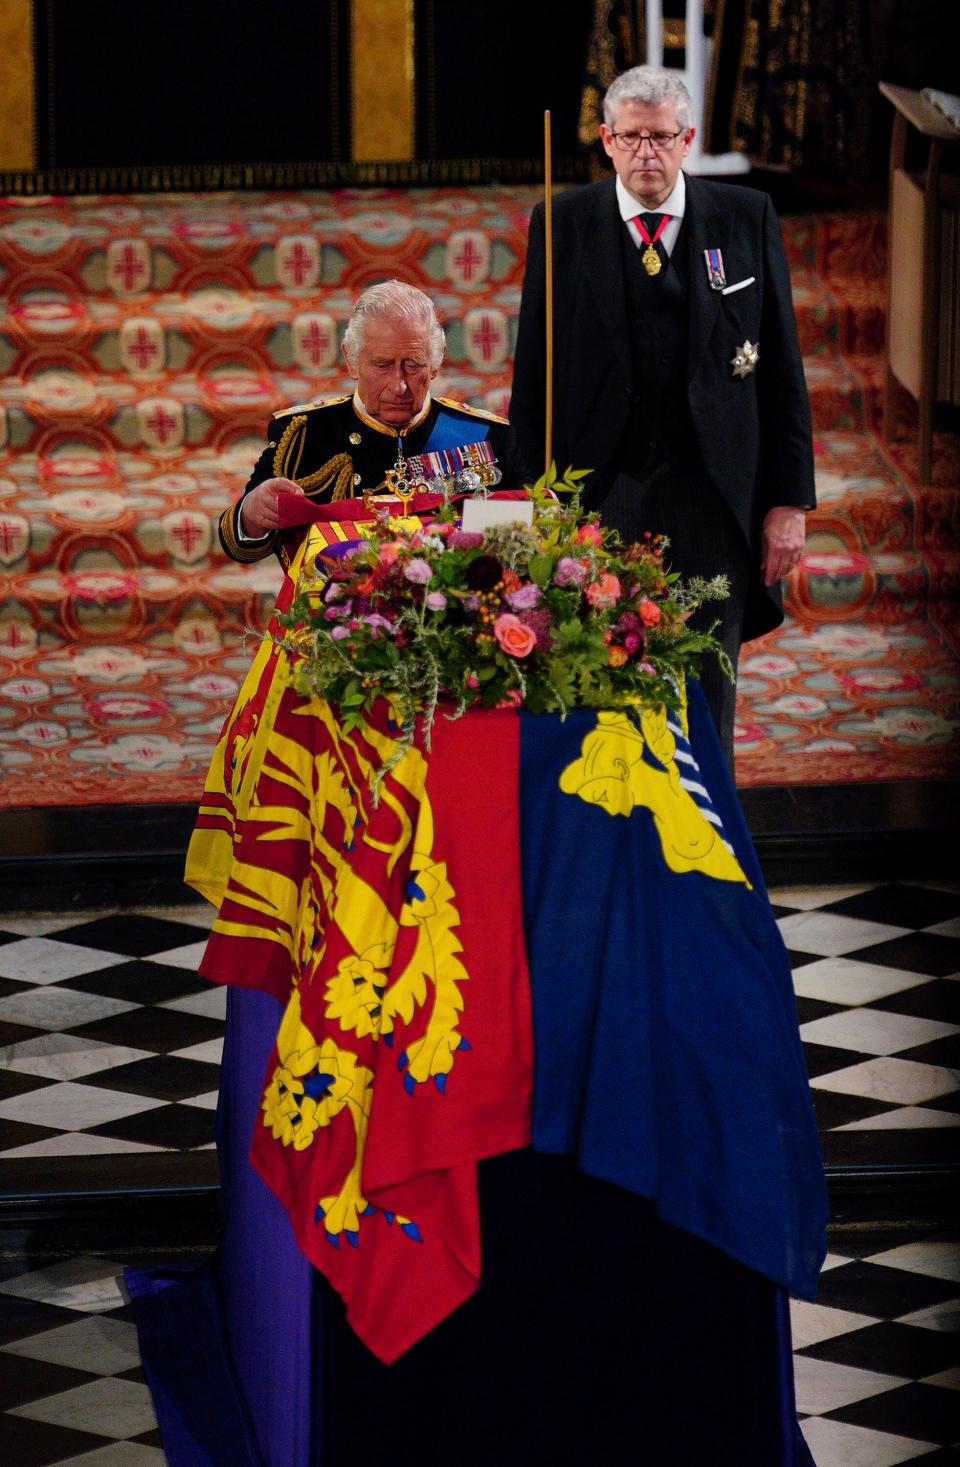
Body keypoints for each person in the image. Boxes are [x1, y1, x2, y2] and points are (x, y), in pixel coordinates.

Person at [511, 65, 816, 764]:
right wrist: (530, 498)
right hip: (604, 487)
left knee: (708, 686)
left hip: (711, 490)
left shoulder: (746, 218)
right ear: (606, 141)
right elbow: (532, 374)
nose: (647, 152)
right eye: (632, 137)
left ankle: (708, 856)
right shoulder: (562, 224)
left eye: (662, 137)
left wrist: (789, 501)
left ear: (689, 140)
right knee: (600, 683)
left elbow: (783, 371)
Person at [219, 278, 526, 568]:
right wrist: (252, 513)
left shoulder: (487, 439)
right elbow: (242, 547)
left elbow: (523, 540)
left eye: (413, 365)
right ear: (351, 360)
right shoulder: (304, 434)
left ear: (436, 362)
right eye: (382, 365)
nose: (399, 385)